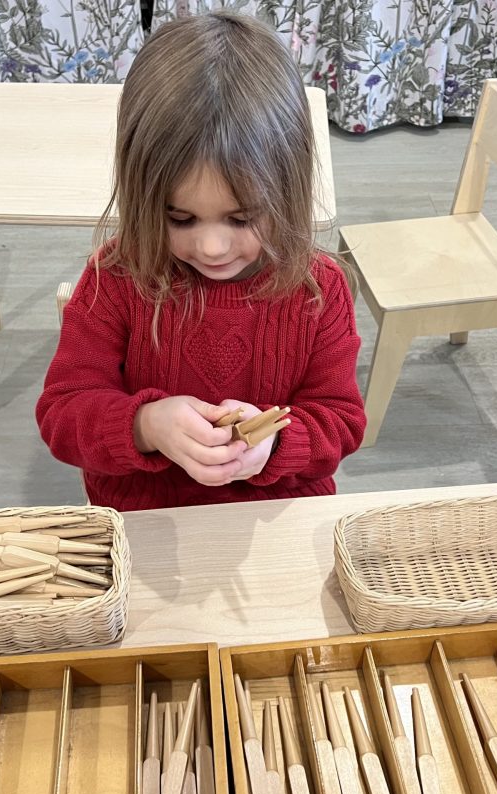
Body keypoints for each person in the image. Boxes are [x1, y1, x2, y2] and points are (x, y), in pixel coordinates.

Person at [36, 11, 366, 511]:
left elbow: (341, 422)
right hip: (145, 514)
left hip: (278, 508)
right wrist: (145, 425)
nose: (212, 247)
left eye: (242, 218)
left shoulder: (317, 290)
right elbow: (62, 414)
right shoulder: (118, 278)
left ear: (288, 191)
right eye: (180, 218)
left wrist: (274, 442)